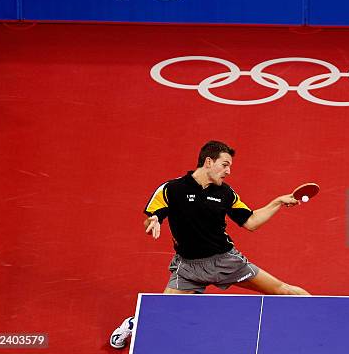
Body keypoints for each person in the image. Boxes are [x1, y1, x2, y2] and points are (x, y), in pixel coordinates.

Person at [109, 140, 309, 349]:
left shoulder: (225, 193)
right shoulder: (172, 189)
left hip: (226, 261)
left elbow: (250, 221)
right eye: (225, 165)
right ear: (208, 161)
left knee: (282, 290)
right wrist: (153, 221)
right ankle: (132, 323)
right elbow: (151, 217)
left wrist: (277, 202)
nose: (228, 171)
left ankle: (318, 309)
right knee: (163, 311)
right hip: (188, 268)